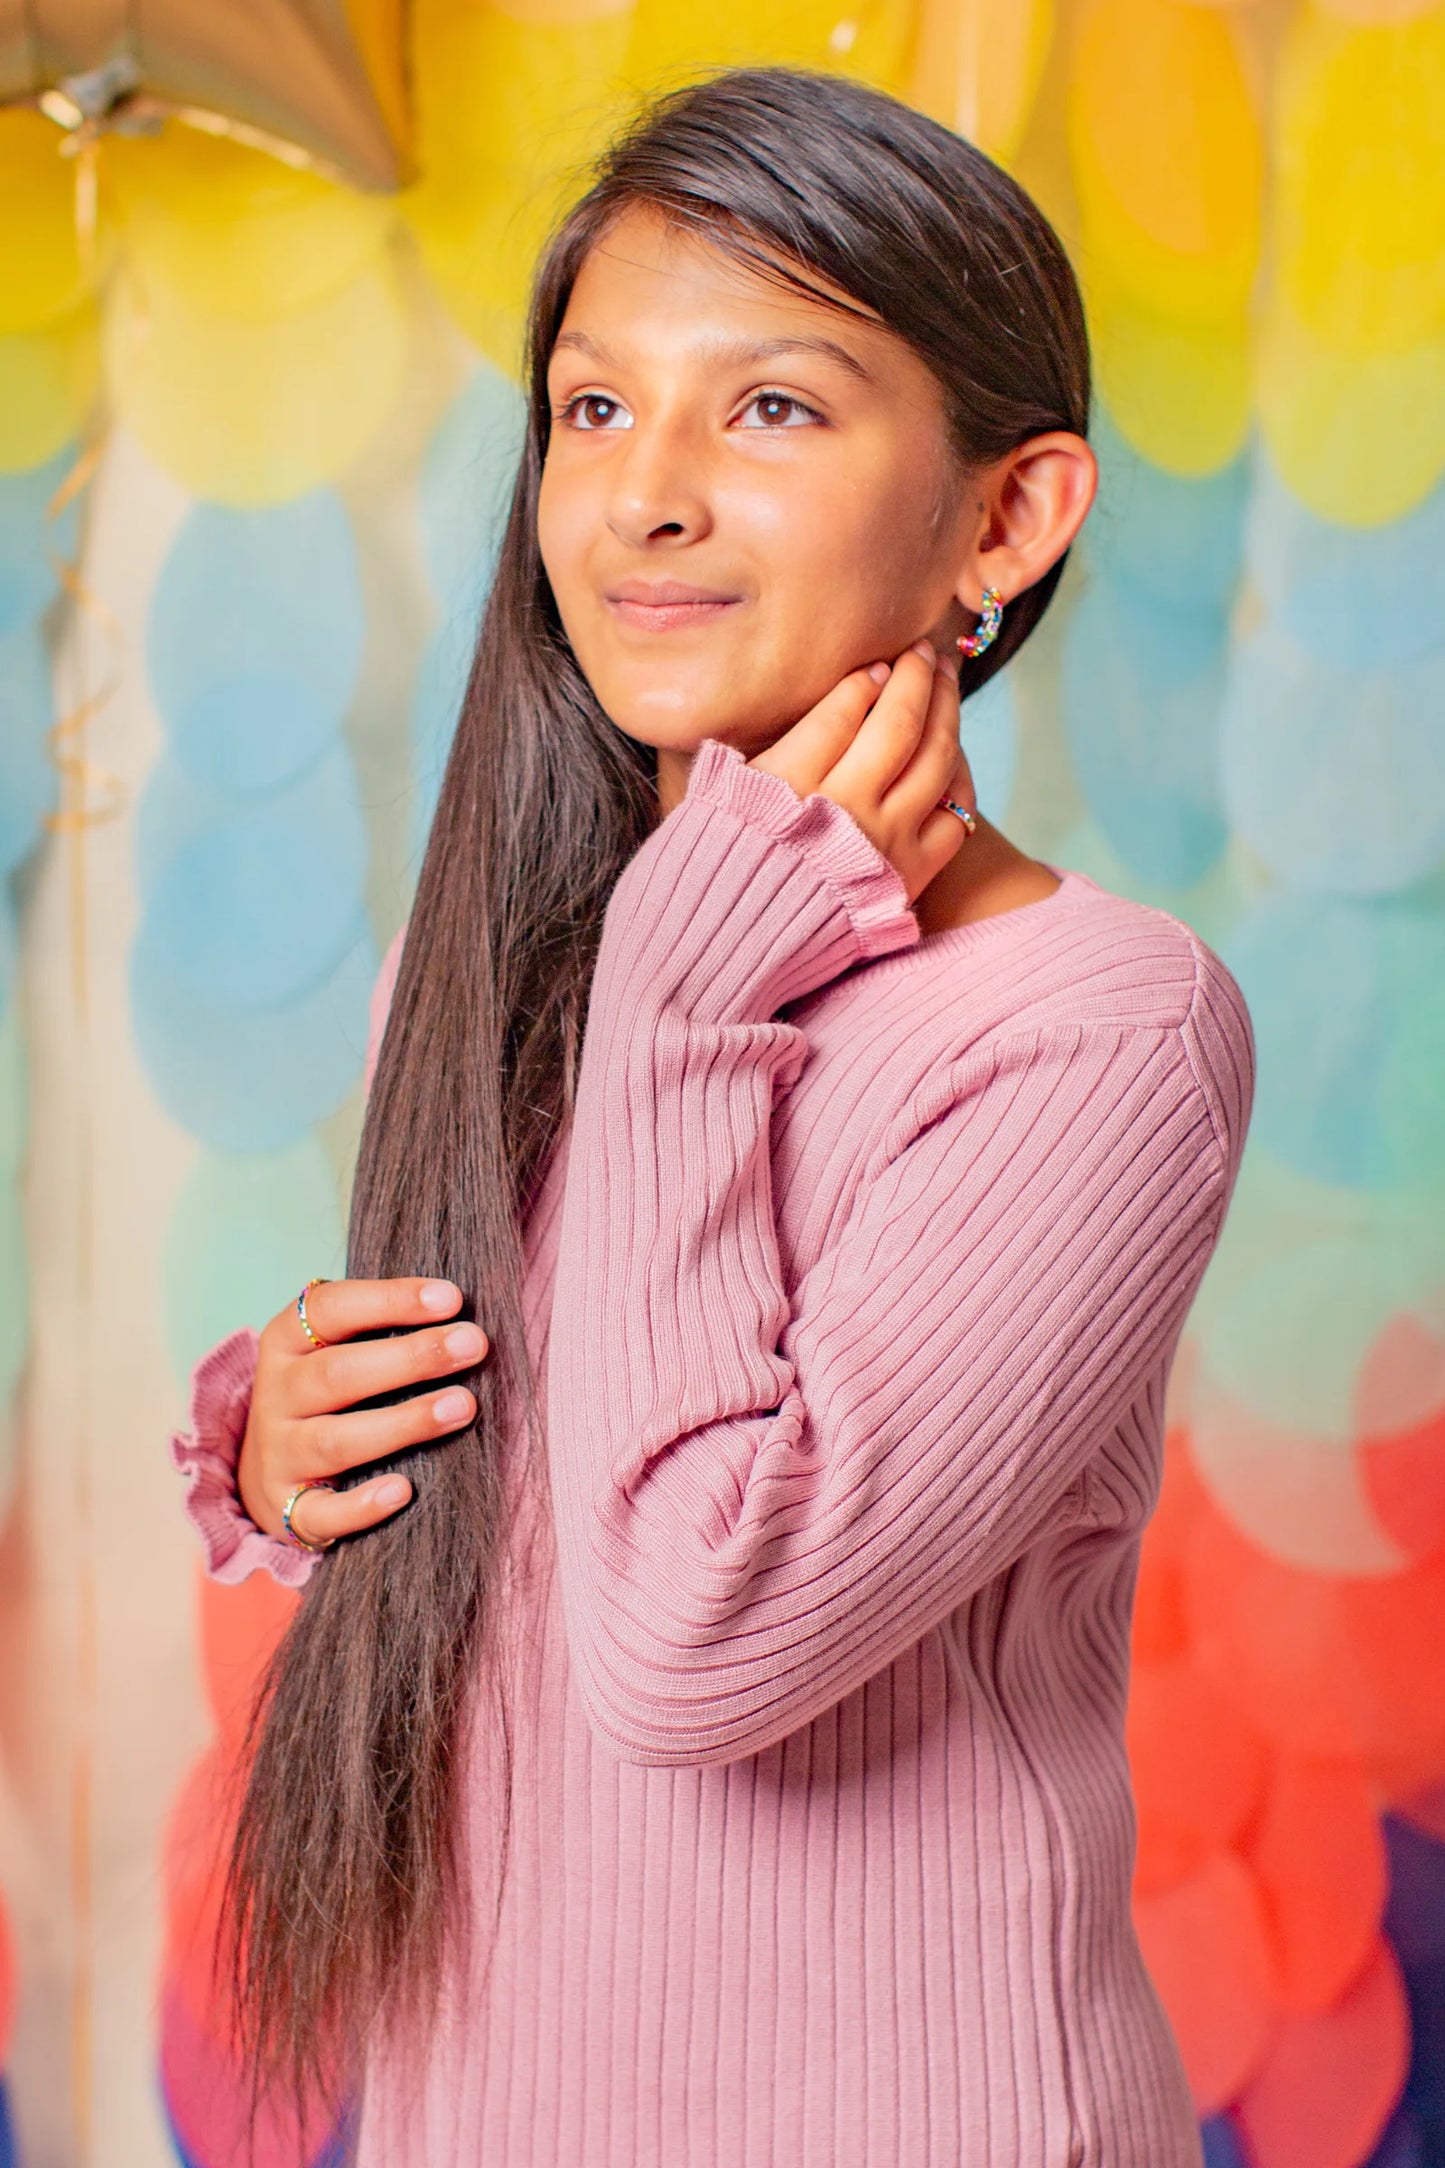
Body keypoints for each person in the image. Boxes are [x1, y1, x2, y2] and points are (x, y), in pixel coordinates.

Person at [170, 63, 1254, 2168]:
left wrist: (685, 997)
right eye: (593, 408)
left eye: (771, 408)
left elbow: (698, 1633)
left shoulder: (1097, 1028)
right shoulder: (503, 962)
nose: (643, 495)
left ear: (1008, 518)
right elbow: (535, 1535)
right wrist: (289, 1445)